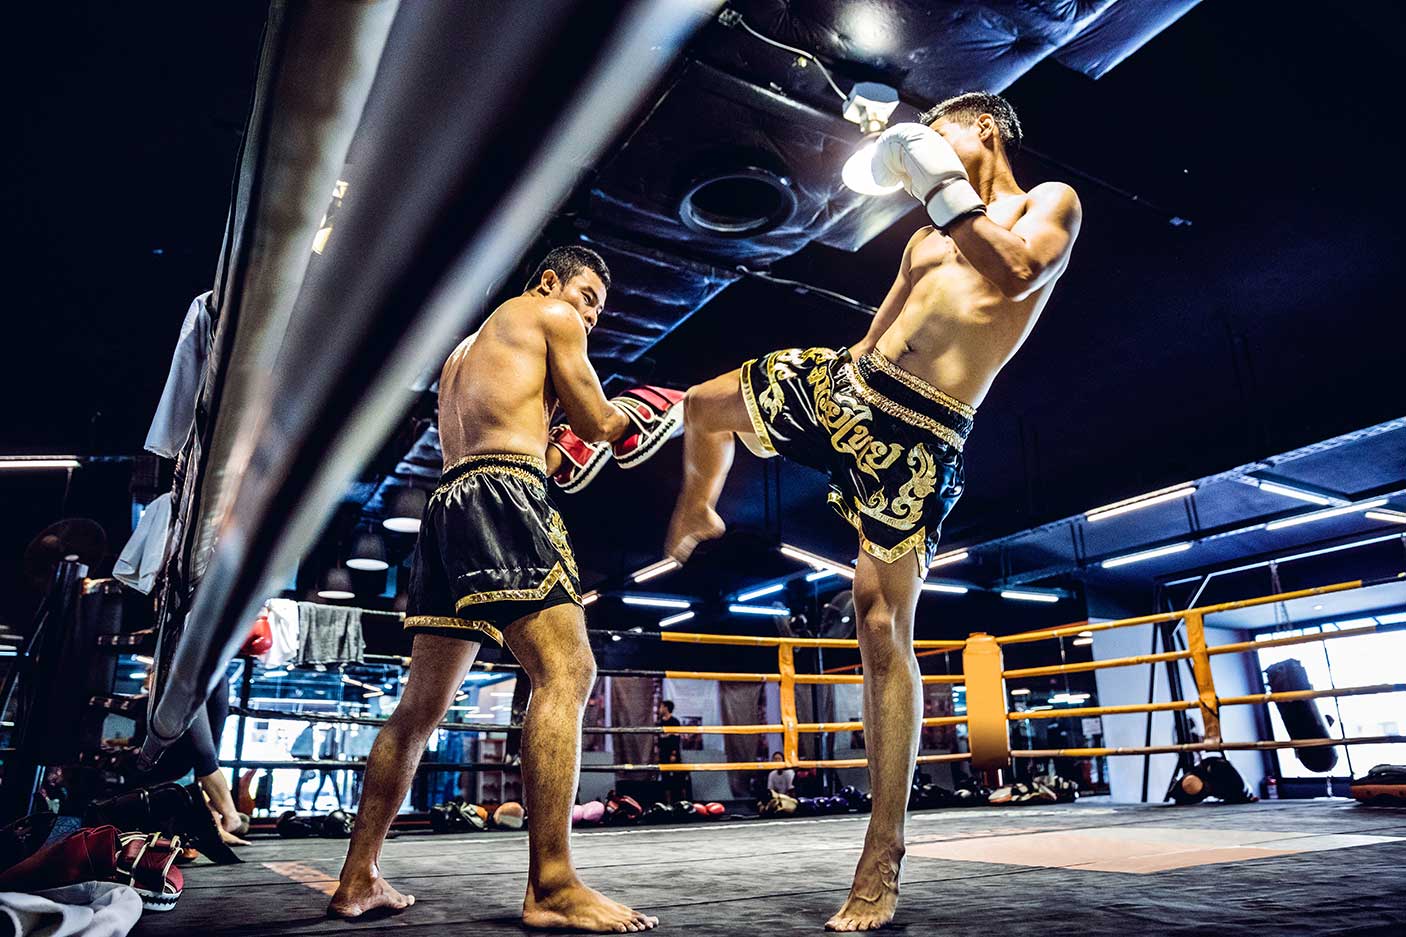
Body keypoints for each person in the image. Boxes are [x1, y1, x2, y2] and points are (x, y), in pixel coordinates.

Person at [664, 91, 1081, 931]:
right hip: (854, 385)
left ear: (986, 129)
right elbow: (876, 330)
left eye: (942, 130)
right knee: (704, 407)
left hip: (923, 430)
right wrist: (810, 412)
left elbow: (1018, 270)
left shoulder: (1051, 204)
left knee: (879, 623)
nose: (926, 143)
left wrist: (930, 175)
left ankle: (882, 854)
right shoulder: (927, 236)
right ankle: (698, 511)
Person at [331, 246, 677, 932]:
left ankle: (357, 875)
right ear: (549, 281)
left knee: (420, 708)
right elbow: (597, 423)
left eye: (598, 310)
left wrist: (570, 444)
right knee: (568, 670)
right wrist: (646, 411)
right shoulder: (550, 313)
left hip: (449, 503)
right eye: (586, 296)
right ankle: (552, 883)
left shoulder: (469, 350)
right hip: (504, 498)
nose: (590, 315)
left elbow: (537, 445)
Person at [656, 699, 686, 803]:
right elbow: (658, 740)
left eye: (661, 706)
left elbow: (676, 739)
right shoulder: (659, 723)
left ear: (666, 708)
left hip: (673, 754)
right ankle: (667, 803)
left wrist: (674, 753)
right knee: (665, 778)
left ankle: (682, 801)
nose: (660, 709)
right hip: (663, 754)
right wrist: (658, 754)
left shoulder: (674, 722)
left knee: (678, 777)